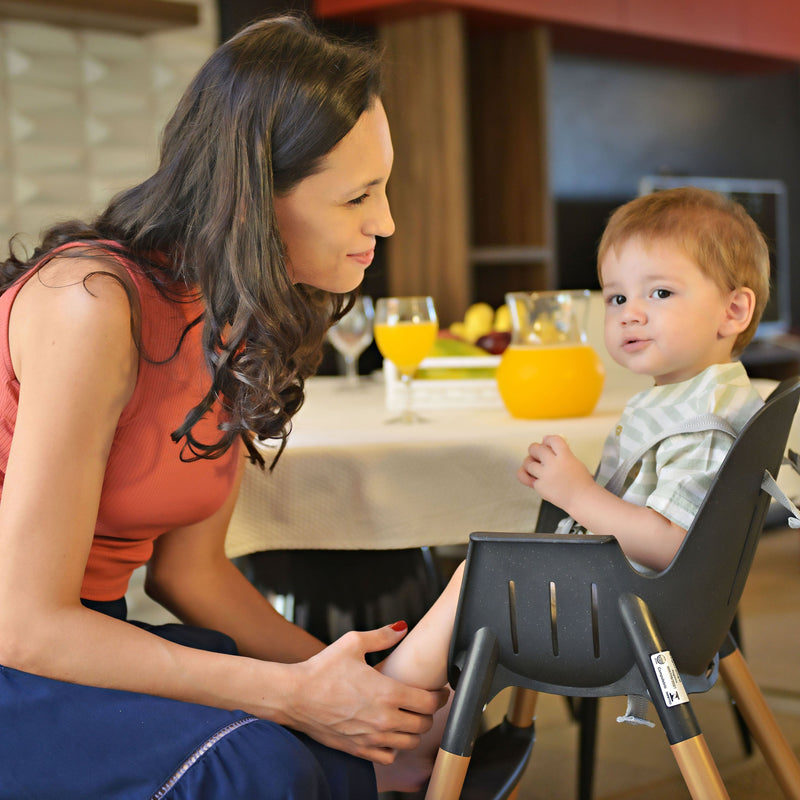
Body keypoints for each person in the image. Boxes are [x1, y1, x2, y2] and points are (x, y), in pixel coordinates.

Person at [0, 13, 446, 799]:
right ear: (251, 199)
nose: (386, 223)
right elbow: (26, 624)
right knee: (259, 761)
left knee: (335, 750)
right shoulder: (92, 304)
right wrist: (298, 696)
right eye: (358, 197)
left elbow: (192, 574)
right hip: (22, 649)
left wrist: (358, 698)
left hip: (77, 642)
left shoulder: (235, 324)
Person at [375, 186, 770, 752]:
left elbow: (673, 544)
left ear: (733, 310)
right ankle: (422, 731)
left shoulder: (701, 426)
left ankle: (384, 718)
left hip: (637, 618)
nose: (631, 312)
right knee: (488, 578)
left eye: (659, 292)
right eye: (615, 298)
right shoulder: (695, 398)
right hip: (641, 603)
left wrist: (580, 494)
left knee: (478, 579)